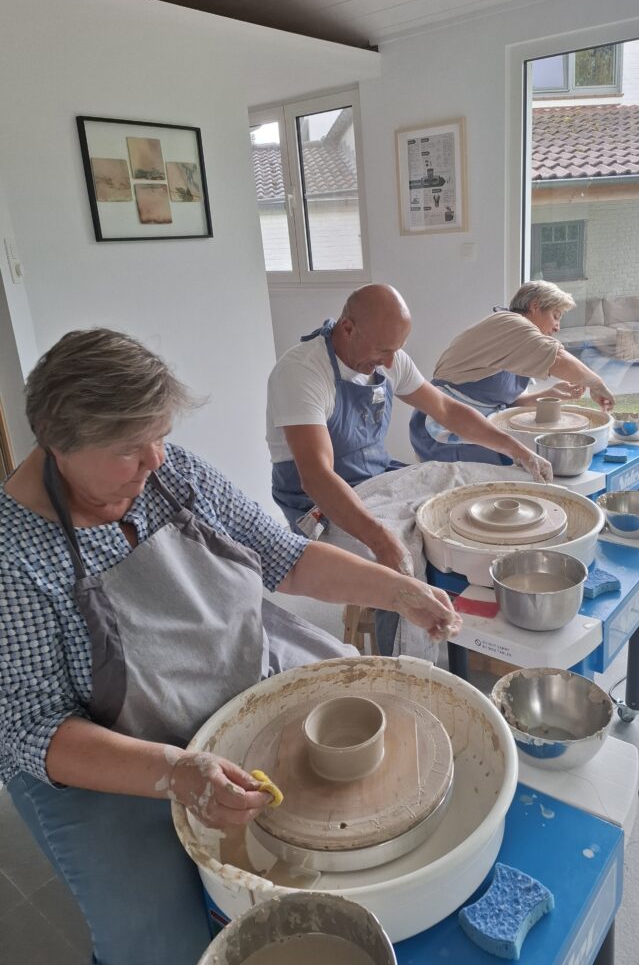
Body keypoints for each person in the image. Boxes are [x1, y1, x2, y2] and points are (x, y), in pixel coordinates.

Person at [0, 328, 462, 965]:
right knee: (157, 940)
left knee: (365, 713)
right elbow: (30, 727)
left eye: (160, 437)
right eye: (131, 450)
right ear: (57, 446)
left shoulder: (170, 474)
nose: (156, 460)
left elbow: (284, 560)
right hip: (109, 754)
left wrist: (398, 591)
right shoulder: (13, 559)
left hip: (237, 669)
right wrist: (173, 771)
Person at [267, 285, 553, 566]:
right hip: (316, 503)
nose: (390, 361)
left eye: (396, 350)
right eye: (383, 350)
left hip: (377, 477)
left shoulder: (388, 359)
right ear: (347, 328)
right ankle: (400, 609)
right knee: (399, 552)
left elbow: (447, 410)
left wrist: (518, 450)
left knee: (463, 487)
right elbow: (317, 477)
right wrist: (380, 540)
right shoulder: (303, 372)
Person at [409, 281, 616, 464]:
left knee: (530, 456)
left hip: (475, 423)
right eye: (555, 316)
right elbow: (558, 358)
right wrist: (597, 383)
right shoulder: (510, 324)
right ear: (535, 306)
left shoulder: (519, 343)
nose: (557, 327)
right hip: (442, 425)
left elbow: (511, 403)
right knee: (519, 462)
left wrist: (549, 394)